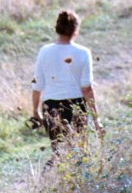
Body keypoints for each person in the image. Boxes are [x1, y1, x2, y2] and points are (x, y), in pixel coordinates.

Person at [31, 10, 103, 161]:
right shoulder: (83, 53)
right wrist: (96, 120)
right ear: (76, 30)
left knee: (59, 153)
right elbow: (87, 88)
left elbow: (37, 85)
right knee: (79, 153)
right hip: (76, 106)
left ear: (57, 27)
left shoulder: (44, 51)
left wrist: (35, 111)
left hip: (51, 107)